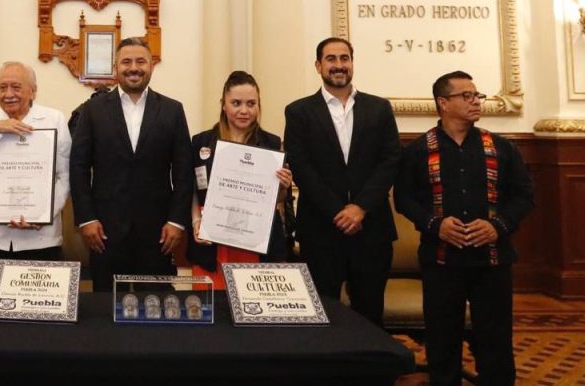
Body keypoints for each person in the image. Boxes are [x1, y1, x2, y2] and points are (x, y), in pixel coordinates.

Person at [395, 71, 534, 386]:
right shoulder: (418, 150)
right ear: (443, 103)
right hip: (441, 260)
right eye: (466, 96)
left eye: (477, 95)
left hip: (492, 260)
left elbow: (524, 196)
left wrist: (497, 226)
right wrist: (435, 224)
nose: (476, 101)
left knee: (495, 341)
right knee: (442, 341)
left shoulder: (501, 147)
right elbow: (404, 199)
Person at [283, 37, 400, 326]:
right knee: (323, 316)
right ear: (318, 65)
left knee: (370, 316)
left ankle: (370, 359)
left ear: (352, 63)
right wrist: (339, 212)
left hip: (371, 229)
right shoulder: (298, 112)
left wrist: (360, 208)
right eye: (331, 59)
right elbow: (301, 167)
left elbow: (390, 161)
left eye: (344, 58)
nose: (339, 65)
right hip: (321, 230)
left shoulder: (379, 108)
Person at [69, 37, 194, 290]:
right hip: (104, 233)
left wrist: (176, 221)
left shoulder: (172, 110)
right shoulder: (92, 111)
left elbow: (183, 171)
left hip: (159, 234)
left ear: (151, 66)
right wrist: (86, 219)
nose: (134, 68)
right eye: (126, 62)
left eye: (141, 61)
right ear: (115, 67)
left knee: (155, 305)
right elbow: (78, 167)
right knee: (106, 306)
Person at [0, 61, 71, 288]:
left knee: (41, 304)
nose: (8, 94)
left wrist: (44, 213)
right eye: (2, 87)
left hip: (40, 237)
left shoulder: (54, 119)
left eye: (16, 87)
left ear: (33, 91)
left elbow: (65, 176)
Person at [187, 71, 293, 289]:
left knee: (254, 305)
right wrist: (196, 221)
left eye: (251, 104)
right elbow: (191, 189)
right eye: (236, 103)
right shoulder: (201, 142)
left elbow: (278, 200)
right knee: (212, 306)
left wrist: (283, 186)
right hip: (211, 243)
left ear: (259, 106)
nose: (244, 110)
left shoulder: (272, 144)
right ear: (223, 105)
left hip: (258, 243)